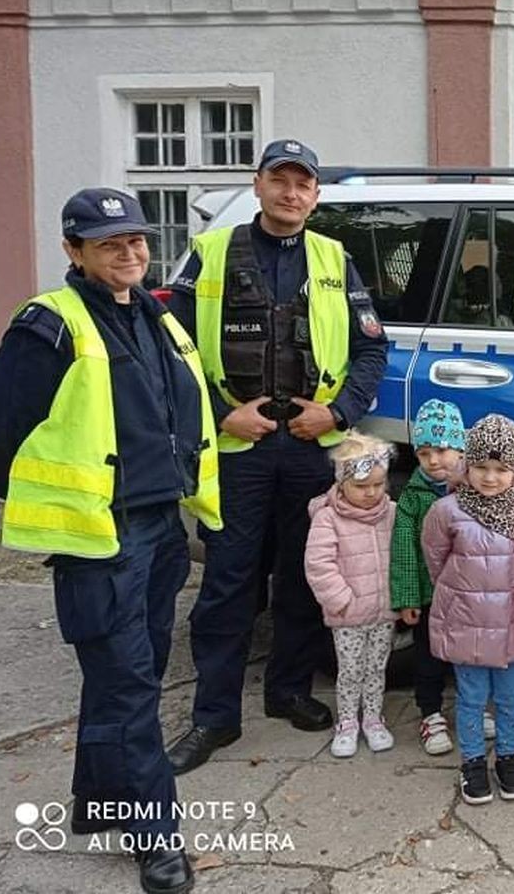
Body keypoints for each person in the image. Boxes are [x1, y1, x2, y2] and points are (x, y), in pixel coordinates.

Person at [0, 188, 221, 894]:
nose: (129, 253)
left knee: (119, 684)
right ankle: (157, 840)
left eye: (136, 240)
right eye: (109, 243)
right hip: (99, 540)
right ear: (73, 251)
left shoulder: (157, 318)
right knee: (131, 686)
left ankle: (95, 803)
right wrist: (42, 498)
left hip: (160, 532)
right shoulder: (50, 324)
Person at [165, 139, 388, 775]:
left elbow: (373, 350)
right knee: (229, 581)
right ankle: (213, 715)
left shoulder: (333, 258)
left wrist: (338, 414)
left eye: (304, 185)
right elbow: (172, 351)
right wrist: (219, 411)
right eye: (280, 181)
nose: (292, 194)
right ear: (258, 185)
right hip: (239, 446)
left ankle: (289, 691)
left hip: (309, 447)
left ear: (315, 196)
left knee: (301, 574)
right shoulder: (209, 255)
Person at [422, 414, 514, 805]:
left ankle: (509, 757)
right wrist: (462, 596)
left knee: (510, 697)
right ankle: (473, 762)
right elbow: (437, 561)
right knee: (471, 698)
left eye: (500, 469)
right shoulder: (447, 510)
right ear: (467, 466)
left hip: (512, 621)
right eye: (481, 468)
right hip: (466, 621)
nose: (490, 478)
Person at [304, 432, 398, 758]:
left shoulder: (392, 513)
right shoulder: (328, 519)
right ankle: (346, 721)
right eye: (361, 486)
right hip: (348, 615)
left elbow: (402, 558)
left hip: (385, 612)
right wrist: (341, 600)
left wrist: (398, 597)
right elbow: (319, 564)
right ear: (342, 483)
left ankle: (372, 718)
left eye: (378, 484)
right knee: (350, 670)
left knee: (376, 668)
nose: (371, 493)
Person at [391, 399, 465, 756]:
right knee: (429, 656)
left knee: (469, 656)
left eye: (442, 450)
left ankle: (473, 706)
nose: (434, 460)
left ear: (460, 447)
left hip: (467, 596)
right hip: (429, 596)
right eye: (423, 453)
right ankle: (431, 713)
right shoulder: (413, 495)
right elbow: (404, 549)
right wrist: (407, 598)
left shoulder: (473, 488)